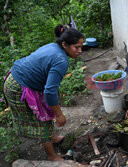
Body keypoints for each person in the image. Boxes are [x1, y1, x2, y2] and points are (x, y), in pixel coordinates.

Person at [3, 24, 84, 161]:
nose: (80, 50)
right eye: (77, 47)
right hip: (18, 86)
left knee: (47, 109)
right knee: (42, 120)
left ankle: (53, 138)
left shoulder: (54, 47)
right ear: (64, 44)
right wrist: (59, 114)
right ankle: (52, 156)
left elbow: (49, 87)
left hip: (16, 78)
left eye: (81, 47)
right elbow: (50, 92)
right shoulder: (61, 60)